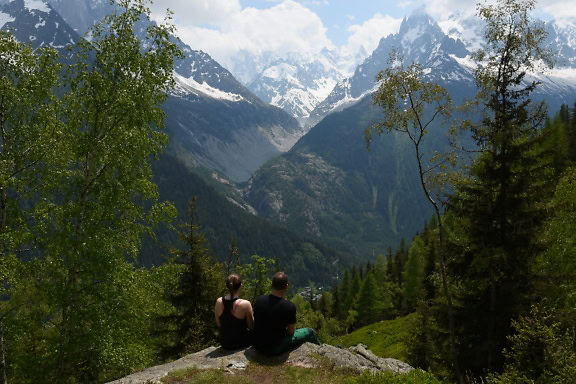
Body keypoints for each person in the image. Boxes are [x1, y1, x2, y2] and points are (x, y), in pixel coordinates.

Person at [252, 272, 321, 355]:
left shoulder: (259, 300)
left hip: (257, 345)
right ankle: (321, 352)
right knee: (310, 332)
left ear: (272, 285)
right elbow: (291, 331)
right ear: (286, 286)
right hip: (274, 348)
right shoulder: (289, 306)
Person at [214, 274, 253, 350]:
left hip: (224, 342)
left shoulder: (219, 301)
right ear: (241, 285)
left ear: (227, 286)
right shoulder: (245, 304)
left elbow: (219, 324)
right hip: (241, 342)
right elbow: (251, 327)